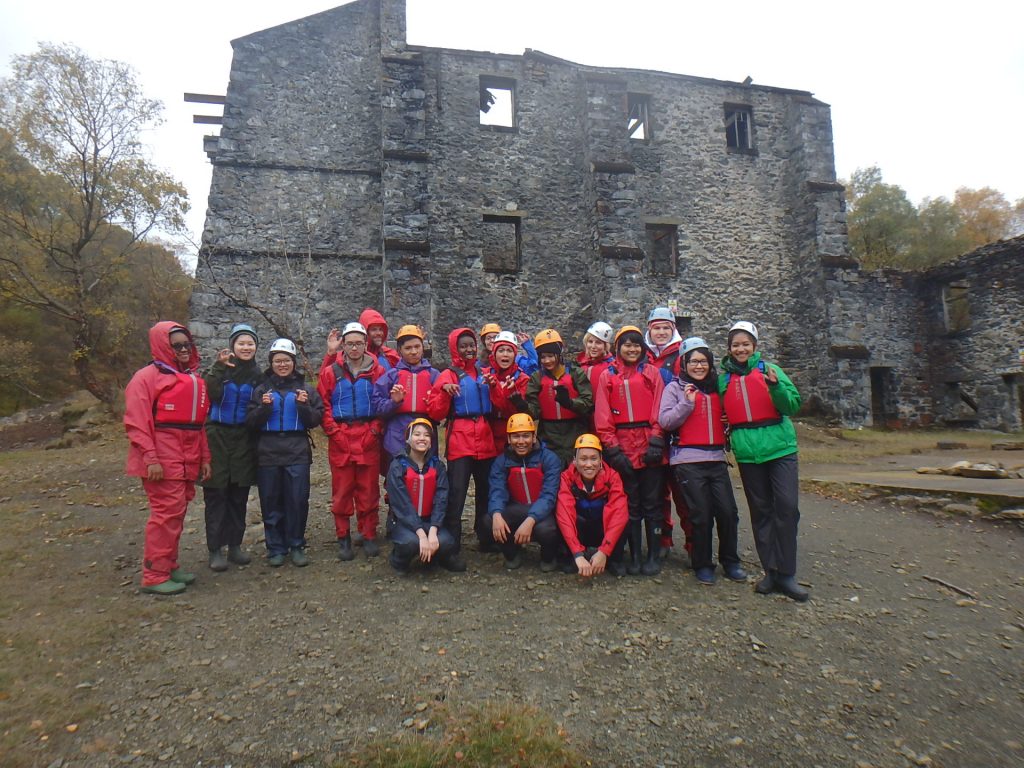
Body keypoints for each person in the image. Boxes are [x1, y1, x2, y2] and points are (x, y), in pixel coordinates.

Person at [719, 321, 808, 602]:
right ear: (730, 349)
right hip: (747, 452)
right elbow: (721, 412)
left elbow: (792, 405)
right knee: (760, 511)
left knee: (787, 507)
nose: (740, 349)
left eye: (745, 344)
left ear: (754, 346)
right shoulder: (723, 380)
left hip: (780, 448)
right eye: (735, 345)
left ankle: (788, 573)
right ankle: (770, 570)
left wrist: (775, 387)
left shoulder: (770, 371)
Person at [124, 322, 211, 595]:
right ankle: (154, 574)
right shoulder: (146, 378)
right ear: (164, 346)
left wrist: (204, 458)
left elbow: (199, 425)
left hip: (187, 456)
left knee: (178, 512)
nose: (184, 349)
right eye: (177, 346)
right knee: (165, 515)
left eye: (187, 344)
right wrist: (151, 458)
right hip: (162, 458)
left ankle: (168, 565)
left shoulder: (192, 378)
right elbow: (137, 423)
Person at [658, 337, 747, 586]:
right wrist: (687, 404)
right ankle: (703, 563)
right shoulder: (675, 389)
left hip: (716, 458)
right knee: (701, 514)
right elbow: (665, 421)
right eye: (694, 361)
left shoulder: (717, 388)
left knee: (728, 512)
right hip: (687, 459)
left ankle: (730, 561)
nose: (699, 366)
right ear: (684, 364)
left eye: (703, 361)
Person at [594, 326, 667, 575]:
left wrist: (657, 441)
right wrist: (613, 450)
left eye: (636, 344)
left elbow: (659, 408)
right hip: (623, 445)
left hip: (649, 444)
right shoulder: (608, 376)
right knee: (630, 504)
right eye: (627, 344)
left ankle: (653, 556)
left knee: (652, 503)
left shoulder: (652, 374)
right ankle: (634, 555)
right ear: (617, 348)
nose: (632, 349)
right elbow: (603, 416)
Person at [246, 338, 324, 567]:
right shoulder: (261, 390)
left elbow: (315, 420)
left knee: (297, 500)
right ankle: (276, 548)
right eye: (278, 361)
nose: (282, 365)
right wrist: (264, 408)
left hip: (297, 450)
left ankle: (297, 544)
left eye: (286, 360)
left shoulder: (305, 389)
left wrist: (303, 406)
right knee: (271, 502)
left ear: (293, 363)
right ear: (271, 363)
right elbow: (250, 422)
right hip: (268, 451)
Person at [428, 328, 500, 563]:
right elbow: (435, 412)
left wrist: (494, 385)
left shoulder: (485, 372)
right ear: (454, 349)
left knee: (486, 491)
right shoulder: (447, 375)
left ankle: (486, 537)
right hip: (460, 438)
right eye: (463, 346)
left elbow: (499, 402)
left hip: (485, 437)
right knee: (456, 493)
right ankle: (452, 542)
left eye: (471, 345)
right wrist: (445, 393)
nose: (469, 350)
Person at [318, 321, 387, 562]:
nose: (354, 348)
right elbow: (322, 404)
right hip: (342, 436)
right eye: (350, 343)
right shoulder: (330, 372)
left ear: (366, 344)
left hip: (368, 435)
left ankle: (368, 534)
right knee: (342, 490)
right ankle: (343, 536)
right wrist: (333, 432)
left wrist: (376, 430)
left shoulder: (377, 370)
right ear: (343, 346)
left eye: (359, 343)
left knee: (368, 490)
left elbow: (383, 402)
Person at [202, 323, 260, 572]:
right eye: (241, 343)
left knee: (238, 496)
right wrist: (218, 367)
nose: (246, 347)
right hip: (217, 436)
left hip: (243, 439)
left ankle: (235, 545)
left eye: (250, 343)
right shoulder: (219, 371)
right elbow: (210, 392)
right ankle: (215, 549)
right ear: (233, 346)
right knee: (216, 495)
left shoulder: (258, 374)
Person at [485, 414, 563, 571]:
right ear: (508, 438)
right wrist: (496, 514)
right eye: (516, 436)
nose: (521, 441)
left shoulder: (550, 459)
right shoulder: (501, 461)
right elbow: (497, 491)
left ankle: (548, 557)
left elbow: (549, 496)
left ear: (534, 437)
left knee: (547, 530)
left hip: (544, 512)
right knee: (489, 520)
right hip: (517, 508)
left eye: (526, 436)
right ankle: (512, 554)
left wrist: (531, 520)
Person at [645, 306, 691, 561]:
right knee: (658, 492)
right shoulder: (642, 355)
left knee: (683, 493)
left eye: (666, 327)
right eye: (657, 327)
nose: (661, 332)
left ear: (673, 329)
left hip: (677, 432)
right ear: (649, 329)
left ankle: (694, 545)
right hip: (652, 433)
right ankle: (662, 539)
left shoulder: (683, 354)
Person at [386, 418, 456, 574]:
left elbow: (441, 500)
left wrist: (432, 532)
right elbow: (402, 505)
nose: (422, 438)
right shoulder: (397, 466)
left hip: (429, 521)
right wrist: (421, 535)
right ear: (408, 439)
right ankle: (399, 560)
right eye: (417, 434)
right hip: (405, 523)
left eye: (426, 435)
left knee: (446, 542)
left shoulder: (437, 466)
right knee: (411, 543)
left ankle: (431, 558)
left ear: (431, 442)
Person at [371, 324, 441, 475]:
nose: (414, 352)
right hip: (397, 433)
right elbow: (377, 407)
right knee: (398, 477)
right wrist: (393, 402)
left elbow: (444, 409)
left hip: (426, 431)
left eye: (417, 347)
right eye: (408, 348)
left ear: (423, 347)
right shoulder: (391, 376)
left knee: (427, 475)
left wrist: (435, 405)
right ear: (400, 351)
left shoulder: (434, 375)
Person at [556, 434, 628, 578]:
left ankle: (614, 559)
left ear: (601, 460)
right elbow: (564, 515)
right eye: (583, 459)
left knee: (624, 520)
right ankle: (573, 556)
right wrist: (577, 554)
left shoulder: (612, 477)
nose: (589, 464)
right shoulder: (566, 478)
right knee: (562, 519)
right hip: (581, 529)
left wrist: (604, 551)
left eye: (593, 458)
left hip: (602, 529)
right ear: (575, 461)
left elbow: (619, 514)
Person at [526, 329, 593, 467]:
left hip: (575, 431)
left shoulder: (575, 373)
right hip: (549, 435)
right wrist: (521, 405)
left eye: (551, 356)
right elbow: (534, 411)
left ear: (559, 354)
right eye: (543, 357)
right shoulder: (537, 378)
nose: (547, 361)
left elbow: (588, 402)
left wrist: (569, 403)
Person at [484, 331, 530, 455]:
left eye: (509, 351)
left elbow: (511, 409)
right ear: (494, 353)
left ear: (515, 355)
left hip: (512, 432)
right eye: (501, 350)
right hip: (488, 431)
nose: (505, 354)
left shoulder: (522, 379)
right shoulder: (485, 374)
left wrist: (510, 390)